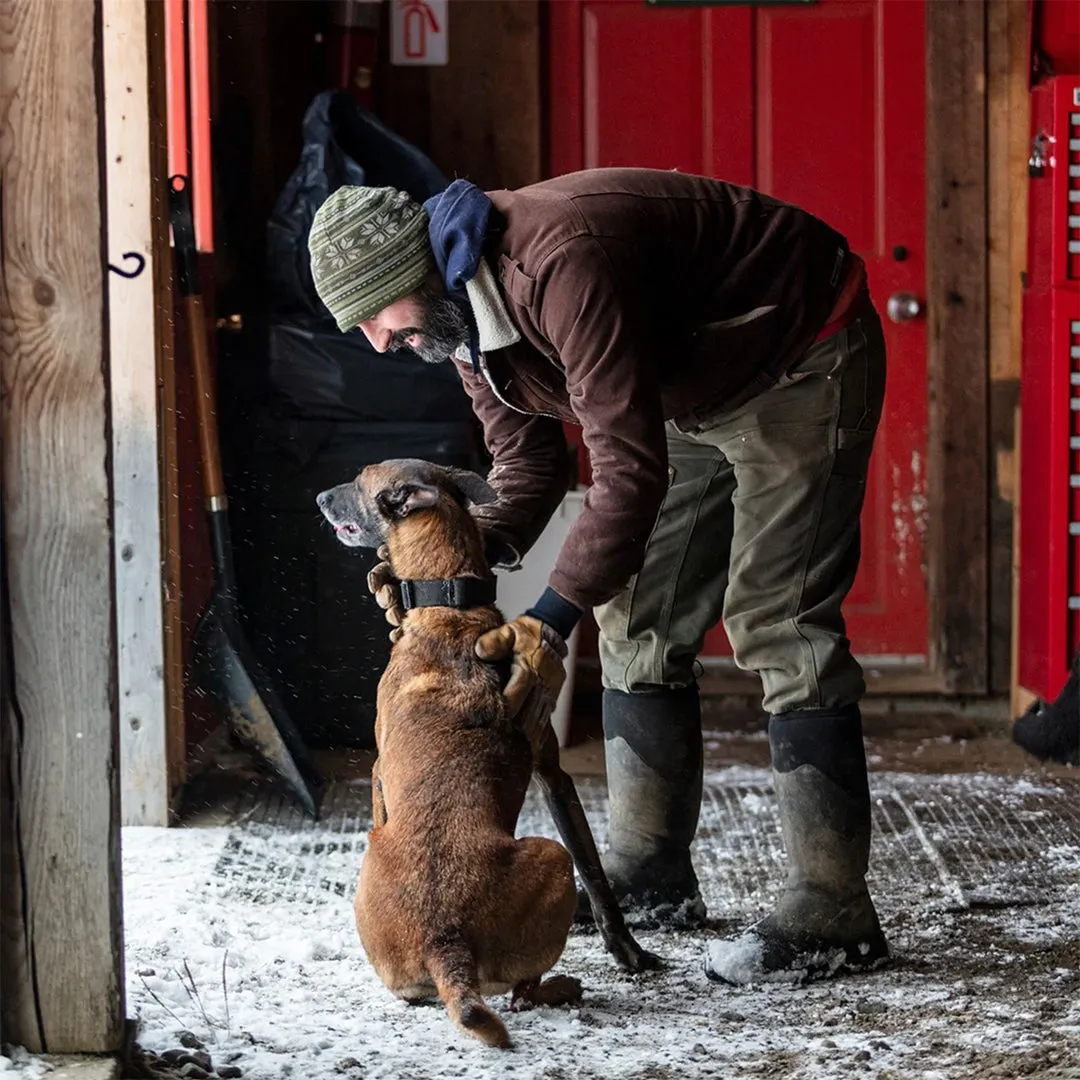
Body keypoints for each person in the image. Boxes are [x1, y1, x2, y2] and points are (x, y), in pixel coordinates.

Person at [307, 168, 890, 984]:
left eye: (375, 315)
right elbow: (526, 460)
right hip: (684, 384)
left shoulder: (557, 263)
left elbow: (627, 474)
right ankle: (651, 873)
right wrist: (452, 574)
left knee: (776, 616)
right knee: (637, 616)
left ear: (415, 272)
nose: (377, 341)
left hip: (796, 351)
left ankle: (833, 910)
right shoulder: (459, 318)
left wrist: (547, 618)